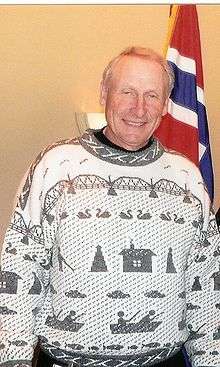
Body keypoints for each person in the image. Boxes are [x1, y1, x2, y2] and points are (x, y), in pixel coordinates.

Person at [0, 46, 219, 367]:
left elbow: (208, 282)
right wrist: (12, 359)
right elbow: (19, 268)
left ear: (164, 107)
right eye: (127, 91)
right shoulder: (56, 165)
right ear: (105, 93)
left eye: (152, 95)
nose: (139, 108)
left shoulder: (187, 176)